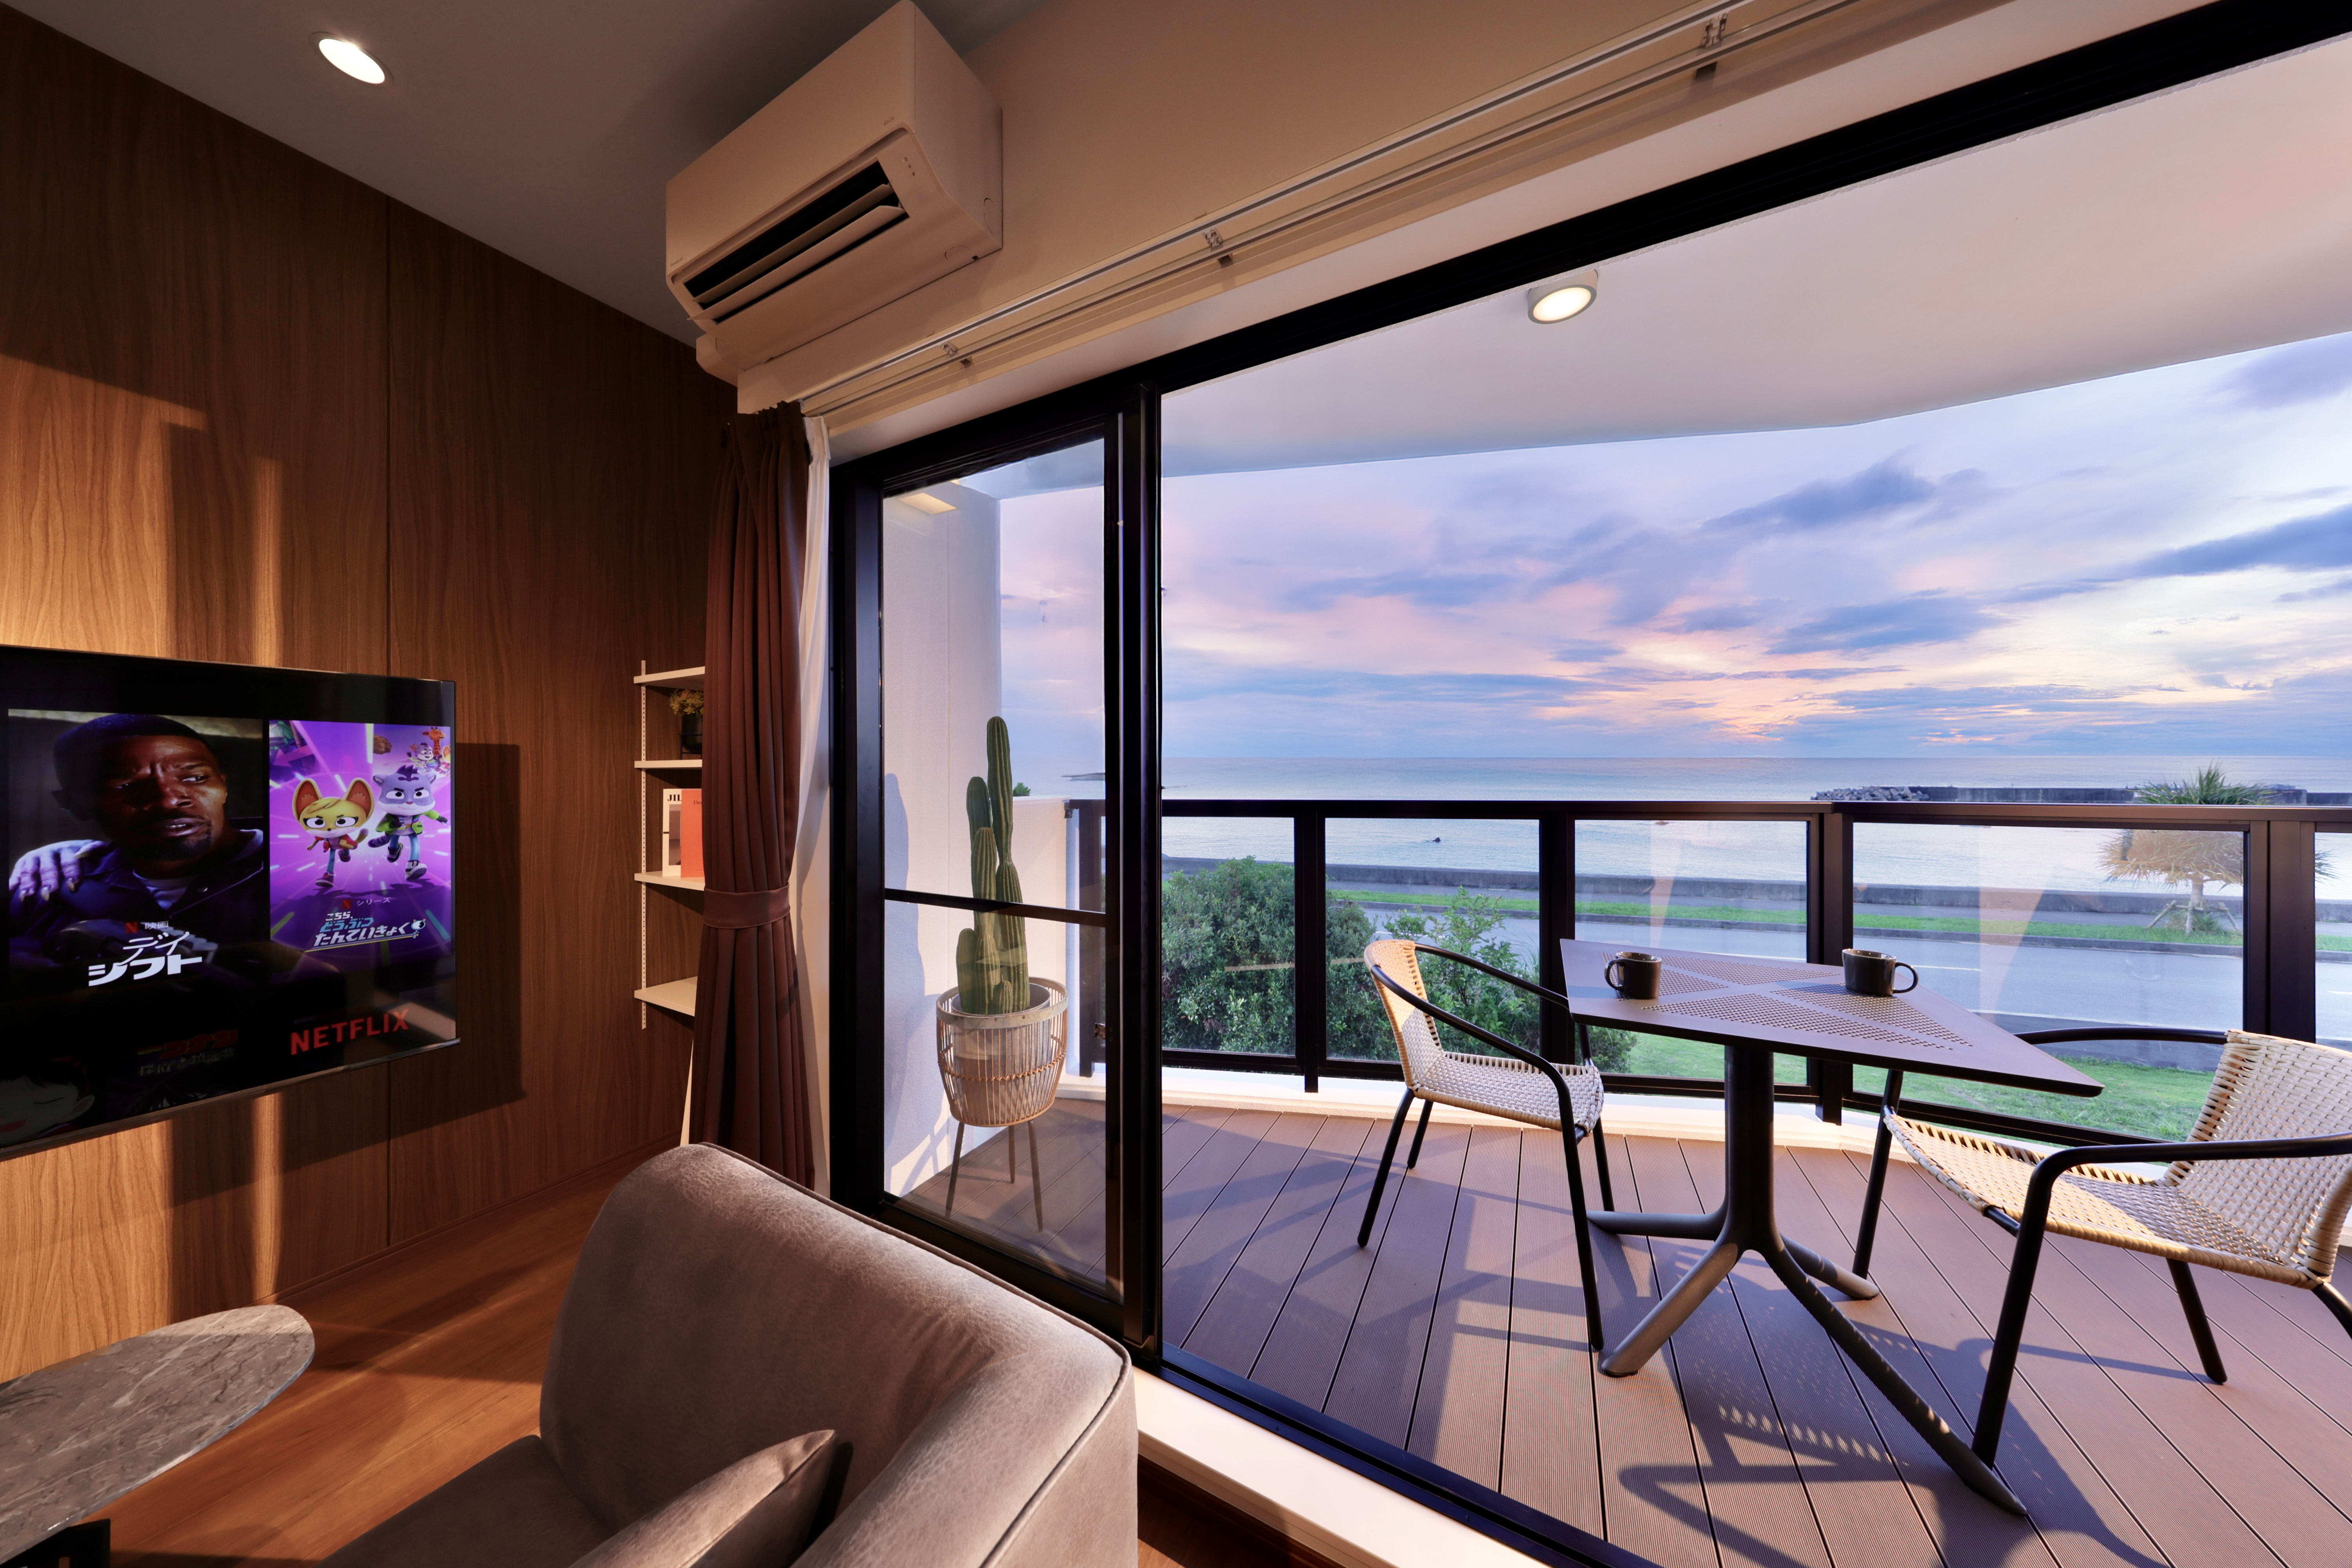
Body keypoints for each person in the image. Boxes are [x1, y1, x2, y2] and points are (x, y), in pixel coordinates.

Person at [5, 715, 267, 978]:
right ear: (73, 803)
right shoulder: (47, 885)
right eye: (127, 786)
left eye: (195, 778)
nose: (167, 800)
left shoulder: (288, 870)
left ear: (223, 786)